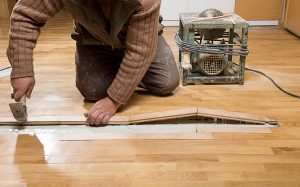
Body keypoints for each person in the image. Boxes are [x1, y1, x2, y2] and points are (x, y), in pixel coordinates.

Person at [7, 0, 180, 125]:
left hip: (139, 35)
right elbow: (25, 15)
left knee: (166, 82)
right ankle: (127, 71)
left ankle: (129, 71)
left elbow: (140, 50)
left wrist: (114, 100)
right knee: (92, 90)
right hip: (94, 38)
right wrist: (22, 70)